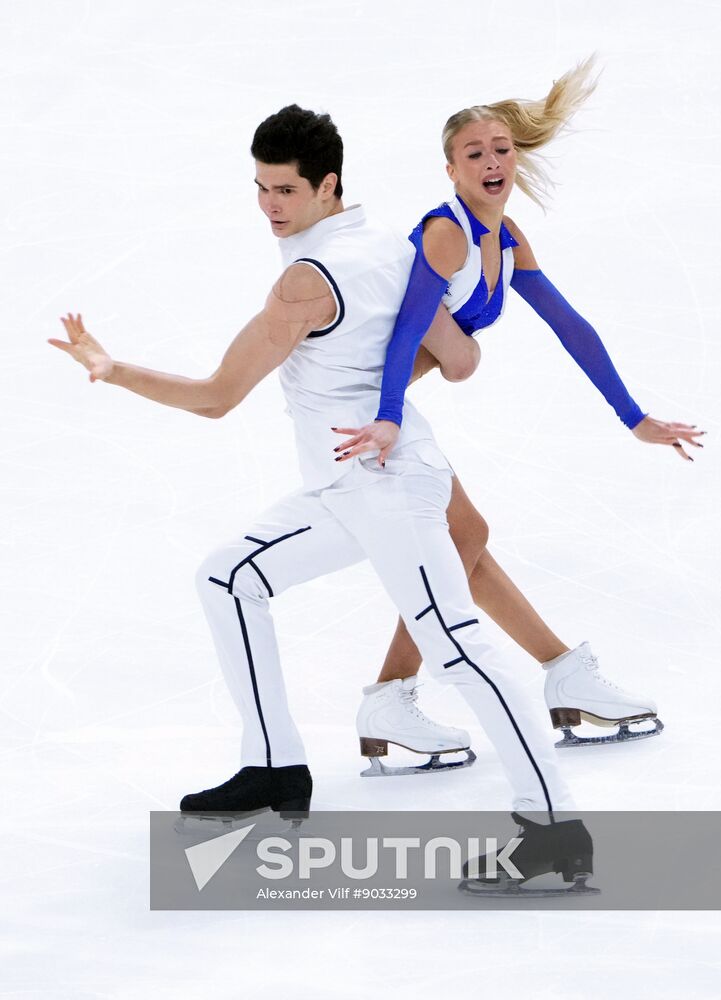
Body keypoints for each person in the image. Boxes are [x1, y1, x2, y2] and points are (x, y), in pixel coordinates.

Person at [49, 105, 593, 877]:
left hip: (387, 491)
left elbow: (217, 397)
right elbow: (459, 357)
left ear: (326, 184)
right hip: (350, 484)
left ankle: (554, 830)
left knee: (456, 644)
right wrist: (376, 402)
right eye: (261, 189)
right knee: (228, 577)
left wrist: (115, 370)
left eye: (284, 191)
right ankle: (275, 767)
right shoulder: (391, 247)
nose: (269, 207)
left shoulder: (305, 282)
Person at [334, 59, 704, 763]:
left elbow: (571, 327)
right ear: (451, 170)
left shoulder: (504, 240)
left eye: (500, 148)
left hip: (381, 406)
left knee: (464, 539)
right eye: (473, 153)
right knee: (462, 538)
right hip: (360, 407)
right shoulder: (446, 234)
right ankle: (400, 692)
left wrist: (633, 417)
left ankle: (552, 674)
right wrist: (383, 414)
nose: (491, 160)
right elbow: (409, 327)